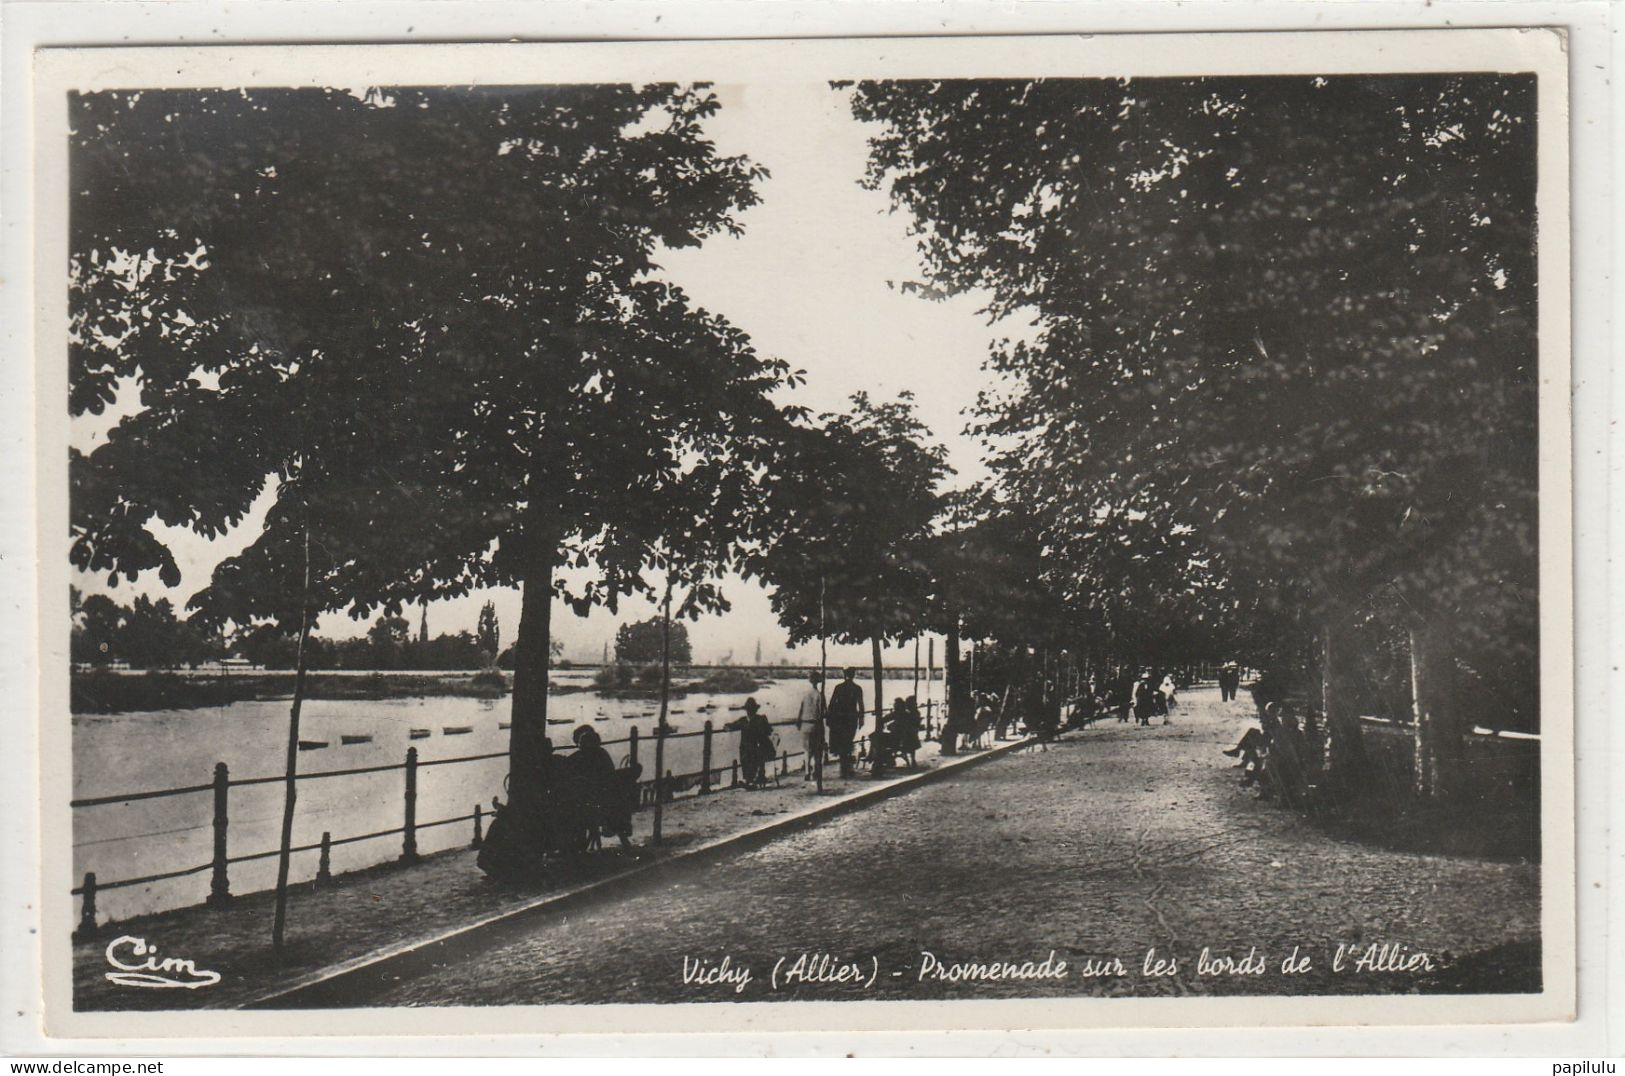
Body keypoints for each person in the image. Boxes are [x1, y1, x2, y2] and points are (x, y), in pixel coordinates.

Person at [727, 697, 776, 789]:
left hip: (758, 746)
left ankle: (752, 780)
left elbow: (769, 731)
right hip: (745, 747)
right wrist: (727, 727)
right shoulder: (743, 720)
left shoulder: (760, 719)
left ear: (755, 710)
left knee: (754, 754)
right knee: (745, 754)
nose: (750, 711)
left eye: (752, 709)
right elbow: (733, 725)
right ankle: (749, 780)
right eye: (748, 709)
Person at [825, 667, 864, 777]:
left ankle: (844, 767)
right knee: (848, 741)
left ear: (844, 675)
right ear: (853, 675)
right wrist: (861, 719)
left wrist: (829, 718)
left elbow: (831, 703)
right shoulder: (857, 688)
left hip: (840, 718)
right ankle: (847, 768)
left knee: (842, 742)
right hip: (852, 718)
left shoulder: (838, 687)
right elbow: (861, 705)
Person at [793, 671, 825, 781]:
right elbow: (822, 713)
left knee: (807, 750)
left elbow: (800, 710)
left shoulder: (805, 695)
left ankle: (807, 771)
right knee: (817, 750)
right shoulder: (820, 695)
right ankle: (815, 772)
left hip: (805, 725)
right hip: (815, 725)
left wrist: (799, 722)